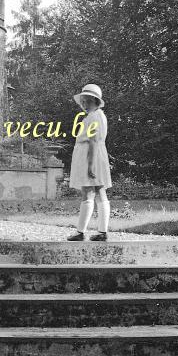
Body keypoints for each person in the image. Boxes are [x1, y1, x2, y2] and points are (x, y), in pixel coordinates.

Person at [67, 84, 112, 241]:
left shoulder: (94, 117)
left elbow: (92, 141)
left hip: (91, 158)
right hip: (96, 156)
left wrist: (91, 165)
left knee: (87, 192)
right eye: (83, 102)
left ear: (94, 100)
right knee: (100, 192)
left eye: (86, 101)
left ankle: (80, 232)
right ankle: (102, 232)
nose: (84, 105)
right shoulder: (98, 115)